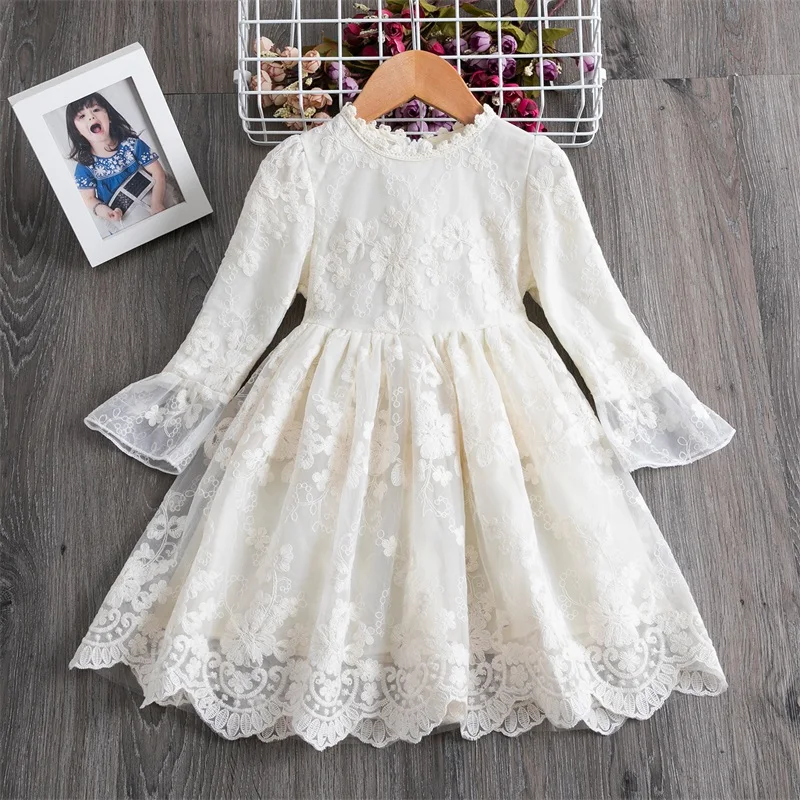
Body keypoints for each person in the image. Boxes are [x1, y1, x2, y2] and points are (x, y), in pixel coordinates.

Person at [66, 92, 177, 231]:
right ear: (77, 131)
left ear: (109, 116)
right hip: (126, 222)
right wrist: (106, 212)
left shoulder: (132, 145)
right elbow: (88, 199)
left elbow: (158, 173)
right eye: (82, 116)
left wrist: (157, 203)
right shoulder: (84, 167)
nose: (91, 117)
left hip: (158, 203)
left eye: (96, 109)